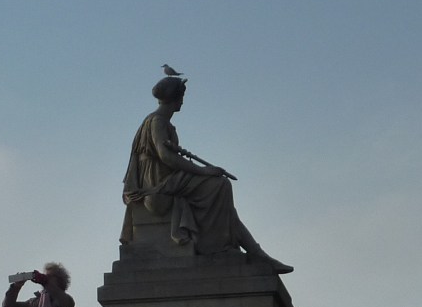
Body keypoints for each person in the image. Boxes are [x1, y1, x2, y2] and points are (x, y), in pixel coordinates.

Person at [120, 76, 293, 274]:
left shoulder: (157, 121)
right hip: (160, 185)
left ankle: (256, 252)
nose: (183, 101)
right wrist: (203, 170)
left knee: (222, 194)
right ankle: (219, 247)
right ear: (175, 97)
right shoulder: (157, 121)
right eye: (182, 96)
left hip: (167, 180)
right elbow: (165, 156)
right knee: (220, 185)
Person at [2, 262, 76, 307]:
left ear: (60, 280)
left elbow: (64, 302)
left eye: (50, 276)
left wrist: (45, 282)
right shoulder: (33, 303)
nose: (46, 278)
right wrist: (16, 286)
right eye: (45, 275)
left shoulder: (66, 299)